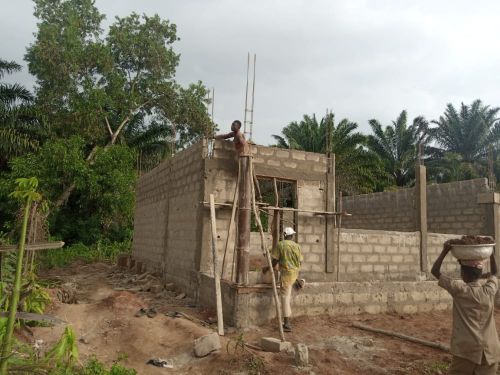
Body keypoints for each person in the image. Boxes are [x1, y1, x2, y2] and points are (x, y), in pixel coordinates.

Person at [431, 241, 500, 374]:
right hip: (490, 352)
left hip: (466, 351)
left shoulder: (459, 290)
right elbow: (495, 273)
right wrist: (491, 251)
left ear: (464, 274)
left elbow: (435, 271)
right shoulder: (489, 291)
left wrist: (445, 251)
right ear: (481, 275)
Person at [271, 226, 303, 332]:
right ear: (292, 236)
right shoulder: (297, 246)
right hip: (295, 272)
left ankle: (287, 323)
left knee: (285, 298)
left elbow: (275, 260)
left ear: (284, 235)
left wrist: (271, 267)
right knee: (290, 288)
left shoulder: (280, 245)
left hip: (286, 275)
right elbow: (301, 261)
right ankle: (299, 281)